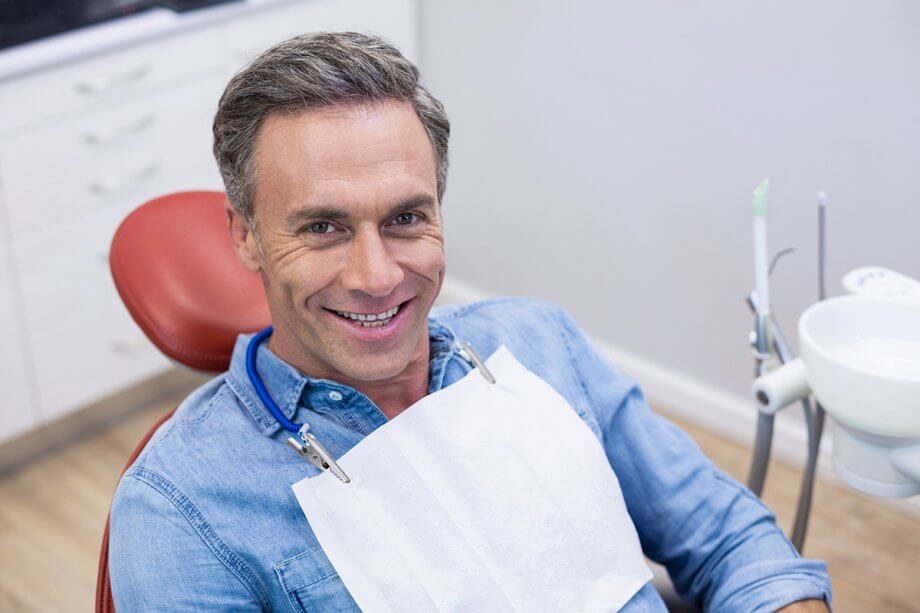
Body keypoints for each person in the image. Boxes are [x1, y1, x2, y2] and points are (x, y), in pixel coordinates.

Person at [108, 32, 831, 611]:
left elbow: (728, 536)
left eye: (405, 218)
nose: (378, 275)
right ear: (244, 236)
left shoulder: (541, 344)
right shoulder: (181, 511)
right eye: (324, 226)